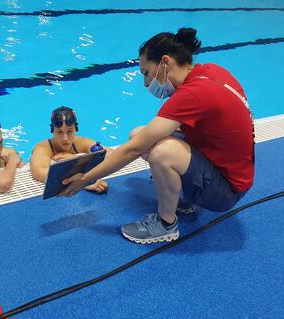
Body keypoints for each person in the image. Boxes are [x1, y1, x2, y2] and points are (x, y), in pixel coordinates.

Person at [60, 28, 255, 244]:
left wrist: (85, 179)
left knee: (162, 153)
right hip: (229, 172)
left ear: (165, 62)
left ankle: (165, 225)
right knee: (140, 134)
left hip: (227, 191)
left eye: (146, 73)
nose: (146, 83)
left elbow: (133, 149)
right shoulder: (209, 71)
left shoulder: (192, 94)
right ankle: (188, 199)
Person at [30, 106, 110, 194]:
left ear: (76, 129)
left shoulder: (80, 142)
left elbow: (111, 155)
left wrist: (74, 159)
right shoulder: (43, 147)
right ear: (52, 131)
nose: (65, 138)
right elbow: (39, 172)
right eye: (59, 132)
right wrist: (82, 182)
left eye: (69, 131)